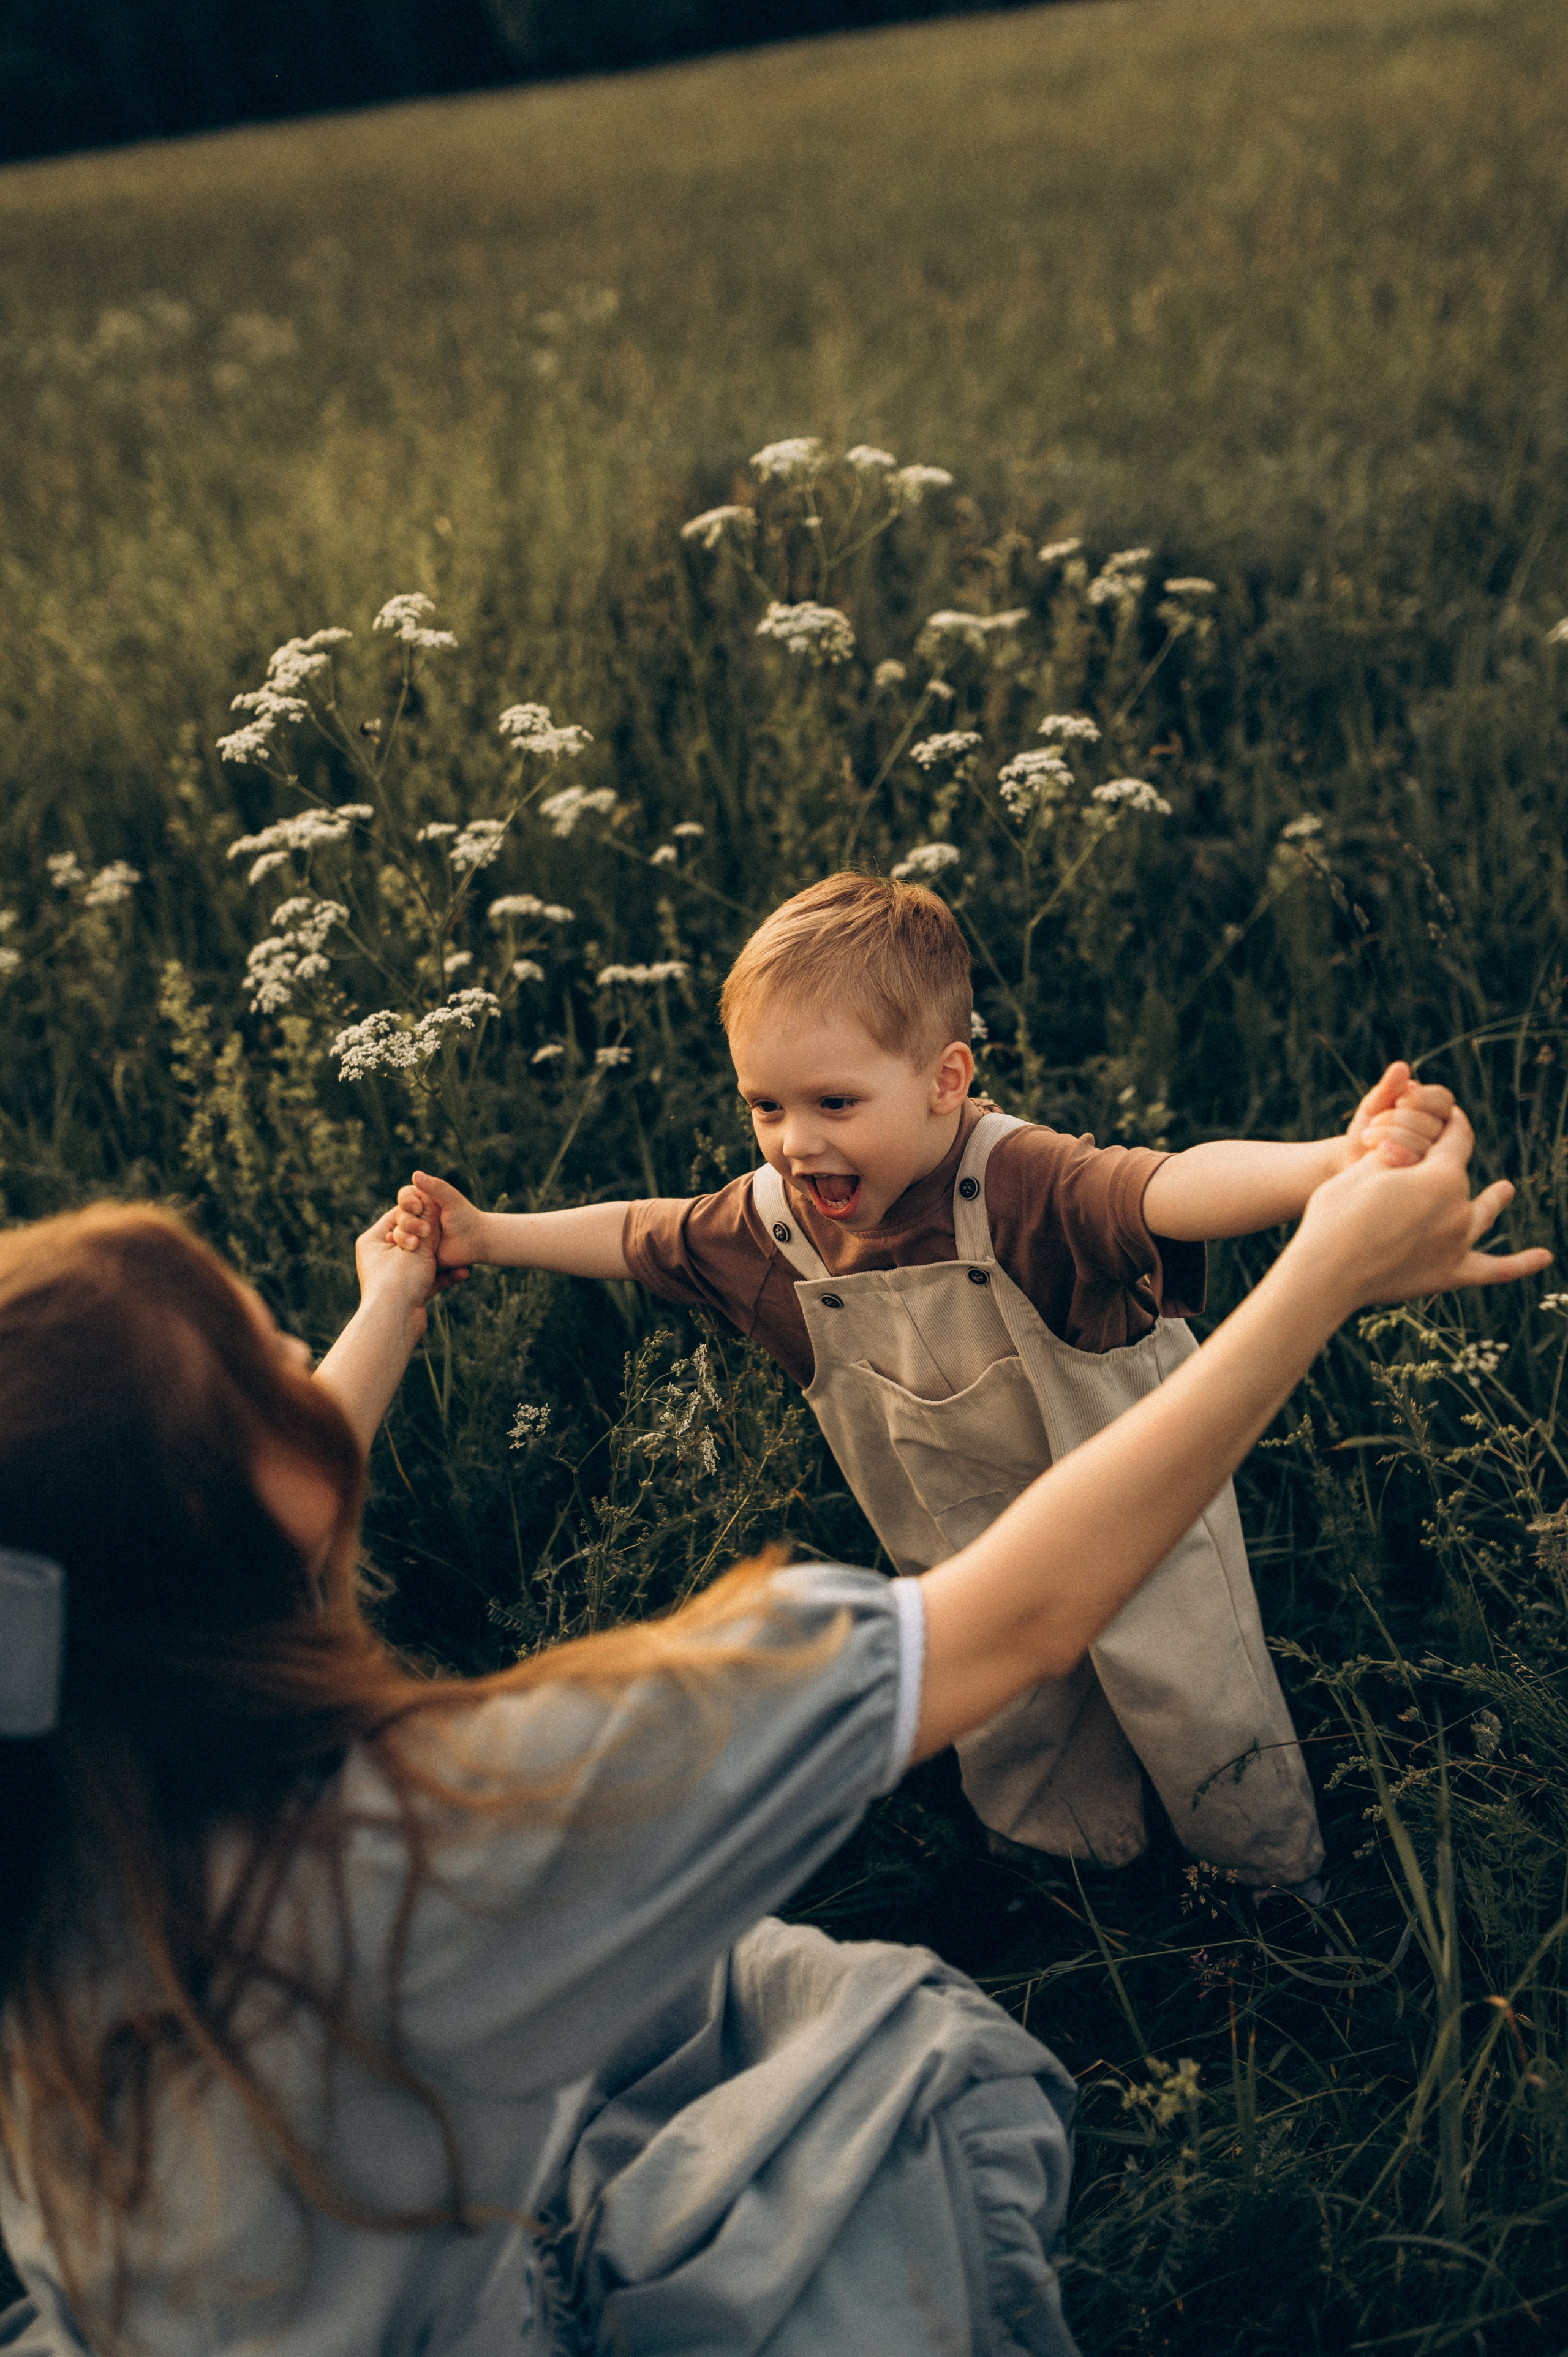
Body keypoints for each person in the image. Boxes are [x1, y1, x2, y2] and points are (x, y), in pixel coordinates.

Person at [0, 1122, 1544, 2356]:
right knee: (893, 2041)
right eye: (275, 1355)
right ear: (242, 1514)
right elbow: (1010, 1621)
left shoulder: (57, 1792)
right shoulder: (439, 1841)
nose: (301, 1372)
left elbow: (189, 1567)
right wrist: (1318, 1272)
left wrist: (389, 1300)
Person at [393, 873, 1457, 1888]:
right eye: (765, 1106)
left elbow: (1168, 1185)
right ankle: (1069, 1871)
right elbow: (638, 1234)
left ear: (946, 1081)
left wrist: (1328, 1163)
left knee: (1191, 1681)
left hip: (1142, 1506)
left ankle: (1266, 1882)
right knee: (1009, 1706)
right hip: (962, 1532)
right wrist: (488, 1233)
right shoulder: (772, 1225)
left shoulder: (1023, 1184)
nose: (798, 1141)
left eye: (835, 1102)